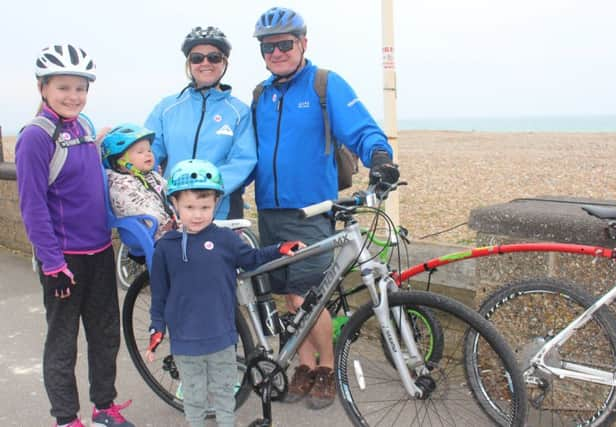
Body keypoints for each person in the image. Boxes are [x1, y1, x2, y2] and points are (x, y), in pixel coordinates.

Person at [251, 7, 400, 409]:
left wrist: (381, 158)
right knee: (288, 294)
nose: (277, 52)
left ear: (303, 43)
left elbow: (362, 127)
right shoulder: (260, 95)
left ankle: (328, 367)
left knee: (309, 297)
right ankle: (303, 365)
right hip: (269, 209)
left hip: (313, 210)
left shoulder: (323, 84)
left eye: (285, 44)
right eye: (269, 47)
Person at [15, 44, 135, 427]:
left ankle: (104, 408)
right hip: (63, 260)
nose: (73, 96)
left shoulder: (82, 126)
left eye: (80, 88)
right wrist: (52, 263)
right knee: (63, 343)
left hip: (100, 251)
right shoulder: (36, 136)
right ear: (43, 88)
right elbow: (32, 206)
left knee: (105, 336)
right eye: (63, 87)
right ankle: (66, 419)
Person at [145, 159, 302, 427]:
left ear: (216, 204)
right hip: (185, 342)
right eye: (189, 207)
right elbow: (159, 294)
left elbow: (252, 258)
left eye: (205, 207)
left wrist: (279, 249)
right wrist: (156, 328)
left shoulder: (226, 240)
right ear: (175, 206)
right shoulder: (165, 248)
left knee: (223, 395)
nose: (197, 214)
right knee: (193, 399)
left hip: (223, 339)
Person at [145, 25, 256, 220]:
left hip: (220, 209)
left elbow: (242, 160)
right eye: (197, 58)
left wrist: (206, 191)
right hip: (174, 208)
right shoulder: (167, 107)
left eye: (214, 57)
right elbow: (149, 151)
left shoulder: (239, 112)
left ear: (224, 62)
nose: (205, 63)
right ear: (189, 63)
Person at [102, 123, 177, 241]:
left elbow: (171, 191)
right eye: (140, 152)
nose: (148, 154)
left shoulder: (150, 176)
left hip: (169, 228)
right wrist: (169, 225)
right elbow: (142, 209)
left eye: (149, 150)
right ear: (120, 162)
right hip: (152, 233)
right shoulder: (121, 185)